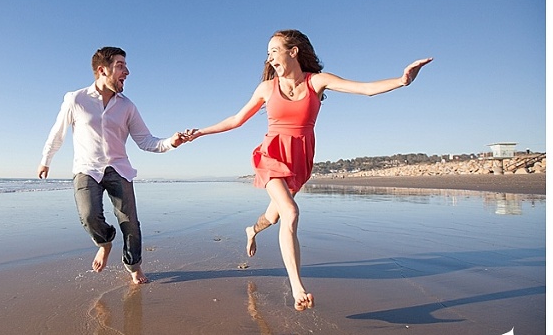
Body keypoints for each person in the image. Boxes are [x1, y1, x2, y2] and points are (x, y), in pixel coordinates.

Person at [184, 30, 432, 310]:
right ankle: (297, 289)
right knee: (291, 212)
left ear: (293, 51)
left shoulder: (317, 82)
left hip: (299, 160)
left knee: (275, 216)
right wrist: (199, 133)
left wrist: (402, 80)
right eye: (268, 53)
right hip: (271, 155)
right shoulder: (267, 88)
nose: (270, 58)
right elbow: (236, 119)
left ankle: (252, 230)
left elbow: (364, 89)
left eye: (274, 51)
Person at [37, 46, 186, 284]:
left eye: (125, 66)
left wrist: (171, 142)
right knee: (89, 216)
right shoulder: (76, 99)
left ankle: (133, 265)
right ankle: (105, 242)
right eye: (120, 66)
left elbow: (146, 141)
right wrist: (46, 160)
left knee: (130, 223)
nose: (126, 71)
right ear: (102, 70)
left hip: (119, 169)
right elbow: (58, 133)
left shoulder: (127, 106)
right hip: (87, 169)